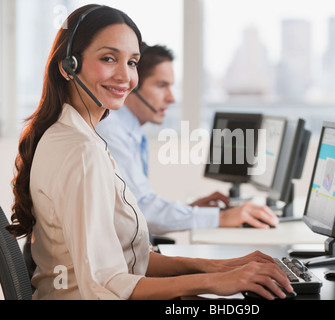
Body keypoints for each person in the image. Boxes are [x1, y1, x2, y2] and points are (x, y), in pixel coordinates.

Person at [7, 4, 292, 300]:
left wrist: (219, 267)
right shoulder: (80, 151)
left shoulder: (72, 135)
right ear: (69, 65)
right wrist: (214, 283)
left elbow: (129, 259)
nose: (125, 76)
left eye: (132, 63)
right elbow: (107, 285)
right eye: (108, 58)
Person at [96, 43, 279, 235]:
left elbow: (137, 203)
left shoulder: (131, 130)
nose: (171, 98)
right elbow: (140, 212)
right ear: (132, 84)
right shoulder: (112, 131)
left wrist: (191, 209)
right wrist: (222, 217)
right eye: (161, 85)